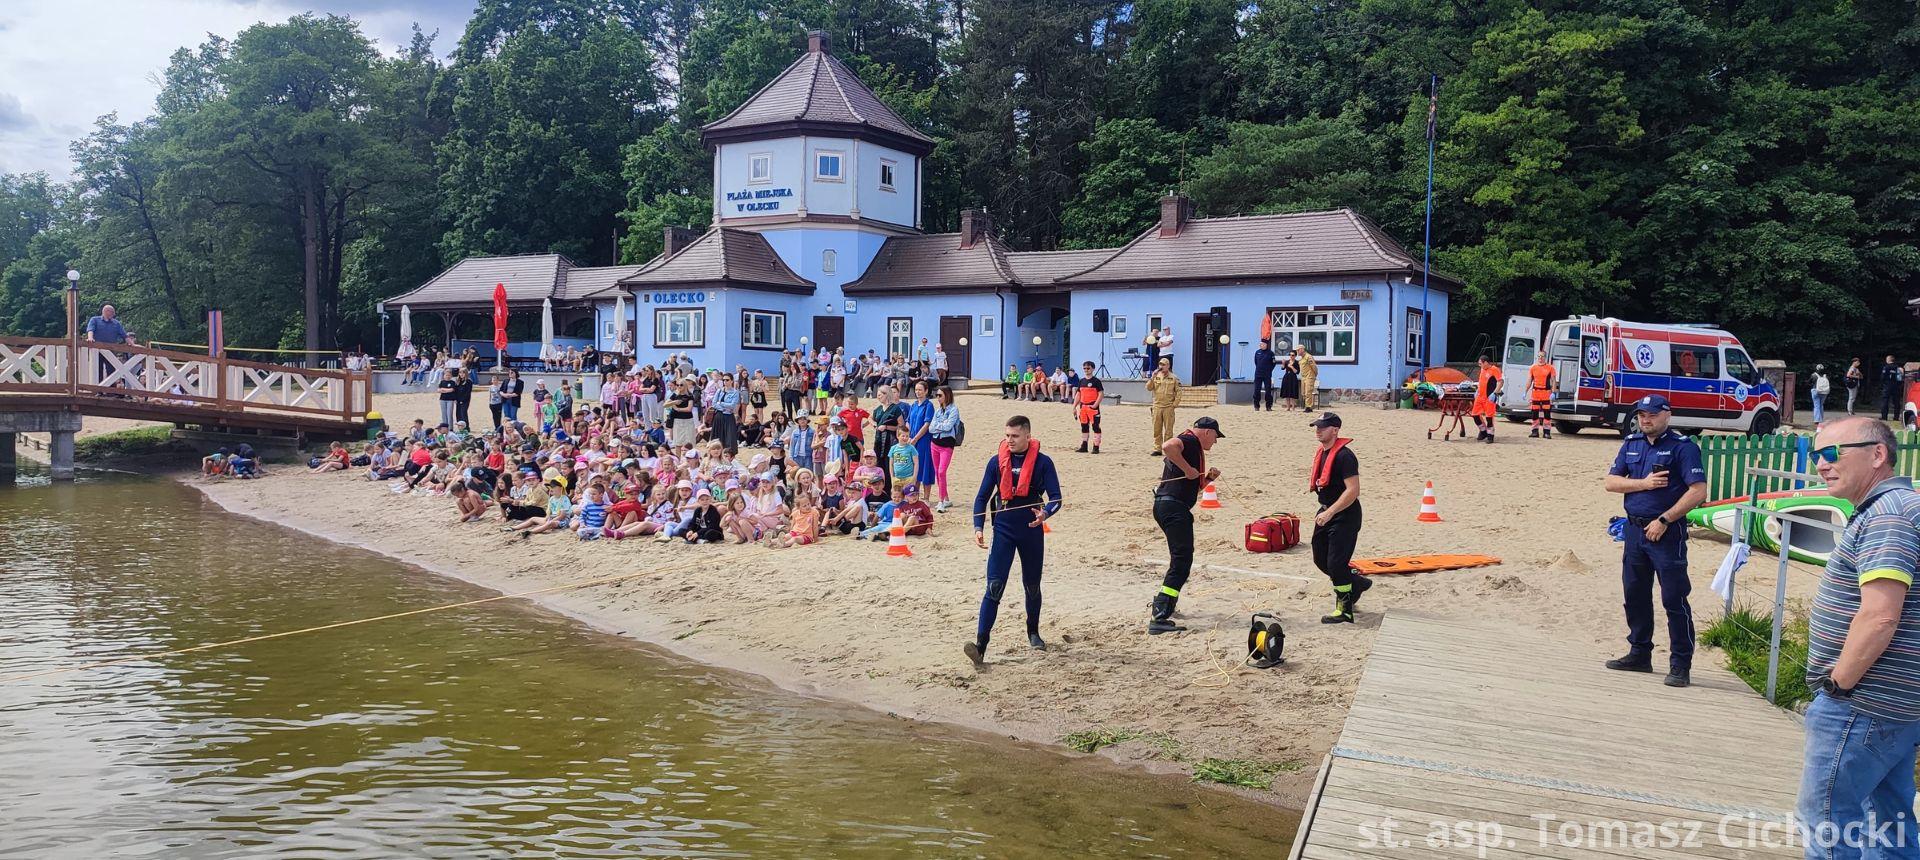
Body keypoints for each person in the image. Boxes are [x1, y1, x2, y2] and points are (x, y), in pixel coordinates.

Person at [1797, 417, 1920, 857]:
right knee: (1888, 822)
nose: (1821, 464)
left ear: (1878, 454)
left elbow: (1880, 616)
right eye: (1816, 455)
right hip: (1892, 703)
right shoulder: (1897, 507)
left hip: (1863, 703)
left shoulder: (1889, 515)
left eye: (1832, 453)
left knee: (1827, 820)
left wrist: (1838, 686)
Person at [1602, 394, 1708, 687]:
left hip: (1666, 532)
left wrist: (1664, 520)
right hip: (1634, 531)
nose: (1645, 420)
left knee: (1674, 598)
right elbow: (1611, 482)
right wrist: (1644, 484)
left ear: (1667, 415)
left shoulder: (1683, 447)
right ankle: (1639, 653)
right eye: (1641, 415)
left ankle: (1680, 665)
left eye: (1652, 415)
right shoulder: (1631, 444)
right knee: (1634, 594)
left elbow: (1698, 491)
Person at [966, 414, 1062, 665]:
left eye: (1015, 436)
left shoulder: (1043, 462)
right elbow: (981, 497)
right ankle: (980, 646)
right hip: (1004, 530)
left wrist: (1045, 513)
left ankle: (1033, 632)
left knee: (1032, 585)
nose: (1009, 440)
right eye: (1007, 435)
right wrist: (978, 527)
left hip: (1031, 530)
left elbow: (1056, 497)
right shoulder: (996, 462)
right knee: (994, 586)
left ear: (1028, 436)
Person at [1147, 417, 1224, 634]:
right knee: (1181, 560)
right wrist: (1188, 468)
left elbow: (1192, 487)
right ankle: (1160, 614)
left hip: (1170, 506)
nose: (1215, 441)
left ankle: (1166, 606)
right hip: (1172, 507)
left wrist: (1208, 479)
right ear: (1207, 432)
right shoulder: (1189, 440)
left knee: (1181, 558)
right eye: (1215, 436)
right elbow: (1167, 446)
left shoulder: (1193, 446)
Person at [1307, 412, 1371, 623]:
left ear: (1335, 430)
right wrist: (1325, 512)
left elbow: (1353, 490)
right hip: (1326, 511)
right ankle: (1357, 583)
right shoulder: (1322, 452)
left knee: (1336, 563)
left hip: (1345, 515)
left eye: (1322, 427)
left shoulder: (1345, 456)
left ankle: (1344, 610)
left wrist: (1330, 512)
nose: (1318, 430)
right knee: (1320, 559)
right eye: (1316, 427)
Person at [84, 303, 131, 393]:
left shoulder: (116, 323)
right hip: (97, 350)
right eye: (112, 312)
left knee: (111, 370)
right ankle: (99, 391)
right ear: (106, 311)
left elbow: (124, 336)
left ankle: (111, 391)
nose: (113, 314)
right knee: (98, 370)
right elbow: (90, 330)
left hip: (111, 351)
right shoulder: (95, 320)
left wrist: (132, 344)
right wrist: (90, 338)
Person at [929, 386, 963, 511]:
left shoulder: (953, 409)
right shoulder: (938, 411)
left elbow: (949, 426)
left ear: (947, 395)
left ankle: (941, 501)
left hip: (947, 445)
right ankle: (946, 498)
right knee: (938, 472)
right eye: (937, 395)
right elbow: (930, 428)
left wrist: (938, 426)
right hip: (935, 443)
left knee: (941, 472)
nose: (938, 398)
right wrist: (940, 426)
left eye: (940, 395)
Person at [906, 379, 936, 491]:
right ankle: (915, 494)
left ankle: (926, 497)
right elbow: (908, 421)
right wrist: (908, 436)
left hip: (923, 441)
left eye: (920, 390)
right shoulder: (913, 405)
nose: (918, 392)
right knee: (914, 469)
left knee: (924, 468)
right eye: (916, 390)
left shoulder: (929, 405)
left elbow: (927, 424)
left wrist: (915, 438)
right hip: (911, 440)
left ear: (926, 391)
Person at [1146, 357, 1179, 455]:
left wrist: (1174, 405)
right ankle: (1157, 448)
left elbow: (1179, 392)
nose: (1161, 366)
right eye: (1160, 364)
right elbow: (1148, 388)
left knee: (1168, 430)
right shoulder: (1156, 376)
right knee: (1157, 429)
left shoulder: (1174, 378)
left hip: (1168, 407)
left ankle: (1168, 448)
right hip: (1157, 406)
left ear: (1168, 366)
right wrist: (1152, 377)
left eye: (1164, 364)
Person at [1471, 355, 1502, 443]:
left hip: (1489, 397)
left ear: (1485, 362)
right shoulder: (1482, 369)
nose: (1479, 365)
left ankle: (1490, 435)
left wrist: (1495, 393)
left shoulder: (1494, 369)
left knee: (1489, 417)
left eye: (1480, 363)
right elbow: (1481, 381)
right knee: (1475, 415)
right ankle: (1483, 430)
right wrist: (1477, 390)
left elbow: (1500, 382)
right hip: (1480, 396)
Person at [1073, 361, 1103, 453]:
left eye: (1088, 368)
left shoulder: (1096, 381)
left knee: (1095, 427)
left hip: (1092, 408)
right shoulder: (1081, 381)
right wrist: (1074, 406)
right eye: (1084, 368)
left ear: (1093, 369)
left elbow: (1101, 394)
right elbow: (1078, 394)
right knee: (1084, 427)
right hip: (1083, 408)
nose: (1086, 370)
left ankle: (1096, 446)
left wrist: (1095, 405)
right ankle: (1084, 446)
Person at [1526, 351, 1556, 438]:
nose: (1540, 358)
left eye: (1542, 356)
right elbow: (1529, 380)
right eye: (1539, 356)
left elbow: (1553, 381)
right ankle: (1534, 431)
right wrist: (1525, 391)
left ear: (1545, 357)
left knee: (1547, 414)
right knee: (1534, 413)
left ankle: (1547, 432)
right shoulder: (1533, 368)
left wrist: (1553, 392)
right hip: (1535, 393)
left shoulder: (1550, 368)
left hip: (1546, 393)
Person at [1251, 338, 1276, 411]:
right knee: (1257, 390)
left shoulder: (1271, 353)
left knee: (1268, 391)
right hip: (1258, 374)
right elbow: (1256, 362)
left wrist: (1269, 370)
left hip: (1267, 375)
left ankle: (1268, 406)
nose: (1260, 345)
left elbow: (1273, 363)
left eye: (1261, 344)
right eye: (1260, 344)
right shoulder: (1257, 352)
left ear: (1265, 345)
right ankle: (1256, 406)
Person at [1880, 354, 1903, 422]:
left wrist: (1883, 384)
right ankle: (1896, 417)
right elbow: (1901, 377)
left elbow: (1882, 377)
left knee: (1885, 401)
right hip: (1896, 387)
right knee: (1896, 402)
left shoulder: (1886, 367)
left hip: (1887, 386)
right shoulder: (1898, 368)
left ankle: (1884, 417)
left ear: (1888, 360)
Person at [1295, 345, 1319, 411]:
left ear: (1302, 349)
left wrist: (1315, 374)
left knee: (1308, 392)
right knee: (1303, 393)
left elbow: (1314, 366)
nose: (1297, 352)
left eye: (1298, 350)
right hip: (1303, 377)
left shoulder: (1308, 357)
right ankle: (1307, 405)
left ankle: (1308, 407)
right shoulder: (1301, 359)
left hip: (1309, 376)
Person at [1809, 363, 1830, 428]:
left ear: (1816, 369)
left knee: (1816, 406)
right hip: (1824, 392)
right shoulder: (1826, 376)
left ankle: (1817, 420)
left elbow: (1809, 382)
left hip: (1815, 391)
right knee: (1821, 405)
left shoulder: (1813, 375)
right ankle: (1821, 419)